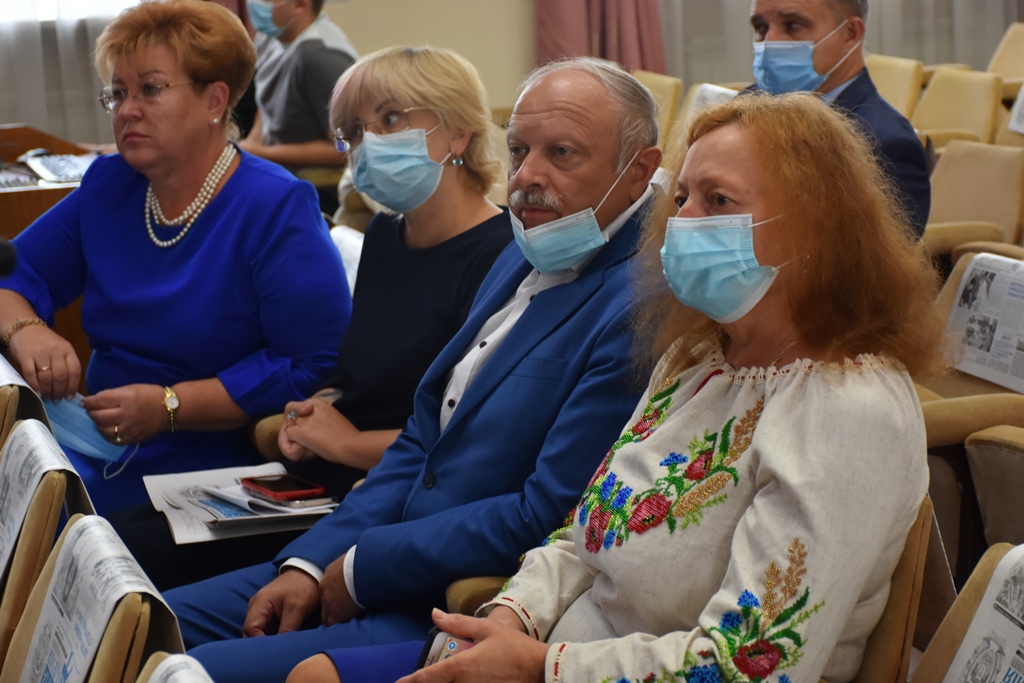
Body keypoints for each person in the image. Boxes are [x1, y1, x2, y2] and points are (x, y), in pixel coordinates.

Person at [288, 92, 946, 683]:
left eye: (718, 201)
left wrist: (538, 665)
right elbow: (582, 534)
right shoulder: (697, 358)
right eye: (681, 198)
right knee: (313, 674)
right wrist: (512, 615)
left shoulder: (847, 410)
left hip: (574, 668)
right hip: (551, 647)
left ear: (815, 226)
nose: (684, 221)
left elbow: (748, 664)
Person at [163, 57, 664, 683]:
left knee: (188, 673)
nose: (527, 178)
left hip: (447, 599)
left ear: (638, 169)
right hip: (369, 544)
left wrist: (362, 566)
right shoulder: (530, 242)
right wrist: (312, 564)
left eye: (562, 153)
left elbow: (548, 511)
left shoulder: (641, 301)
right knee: (139, 621)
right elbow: (425, 436)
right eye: (519, 150)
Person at [106, 45, 514, 590]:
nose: (368, 143)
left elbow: (467, 438)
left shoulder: (503, 256)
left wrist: (343, 443)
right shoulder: (386, 234)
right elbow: (364, 375)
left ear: (458, 132)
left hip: (389, 495)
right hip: (321, 476)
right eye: (355, 131)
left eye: (391, 119)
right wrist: (316, 408)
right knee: (108, 536)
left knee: (135, 561)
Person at [0, 0, 350, 515]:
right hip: (97, 439)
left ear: (215, 100)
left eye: (151, 89)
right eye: (118, 93)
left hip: (213, 464)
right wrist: (26, 329)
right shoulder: (110, 184)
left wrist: (172, 406)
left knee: (41, 518)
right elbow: (12, 271)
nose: (127, 110)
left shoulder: (274, 206)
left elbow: (312, 362)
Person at [749, 0, 930, 238]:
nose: (769, 42)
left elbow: (878, 257)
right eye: (761, 28)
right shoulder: (748, 104)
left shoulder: (885, 145)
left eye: (792, 25)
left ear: (850, 34)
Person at [239, 0, 356, 170]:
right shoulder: (271, 36)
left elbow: (344, 147)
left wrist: (262, 153)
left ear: (300, 5)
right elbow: (266, 105)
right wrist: (249, 147)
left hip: (311, 179)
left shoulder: (321, 59)